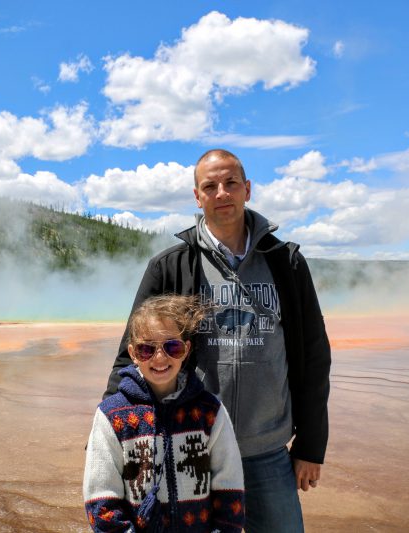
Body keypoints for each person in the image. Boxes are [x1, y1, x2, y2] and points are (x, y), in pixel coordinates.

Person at [103, 149, 331, 532]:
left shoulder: (285, 263)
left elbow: (313, 357)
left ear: (247, 189)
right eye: (210, 186)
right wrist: (110, 430)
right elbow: (135, 352)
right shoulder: (171, 267)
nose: (221, 192)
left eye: (230, 183)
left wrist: (311, 445)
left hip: (266, 452)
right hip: (192, 446)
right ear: (198, 196)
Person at [84, 294, 245, 532]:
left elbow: (229, 488)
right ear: (133, 353)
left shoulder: (209, 411)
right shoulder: (111, 416)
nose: (160, 358)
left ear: (186, 349)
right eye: (146, 349)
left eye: (172, 346)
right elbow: (101, 499)